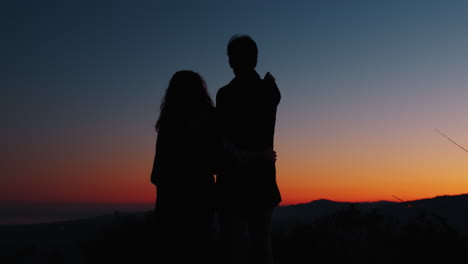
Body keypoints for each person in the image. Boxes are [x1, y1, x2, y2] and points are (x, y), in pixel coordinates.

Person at [150, 70, 276, 264]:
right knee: (199, 249)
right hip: (198, 194)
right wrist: (260, 156)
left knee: (172, 250)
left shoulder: (169, 119)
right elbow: (224, 152)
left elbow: (156, 173)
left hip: (168, 198)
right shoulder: (206, 115)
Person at [216, 35, 281, 264]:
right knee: (262, 247)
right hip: (262, 179)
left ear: (231, 61)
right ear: (255, 59)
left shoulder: (225, 95)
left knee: (232, 247)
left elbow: (221, 138)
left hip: (232, 180)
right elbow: (273, 95)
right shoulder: (269, 91)